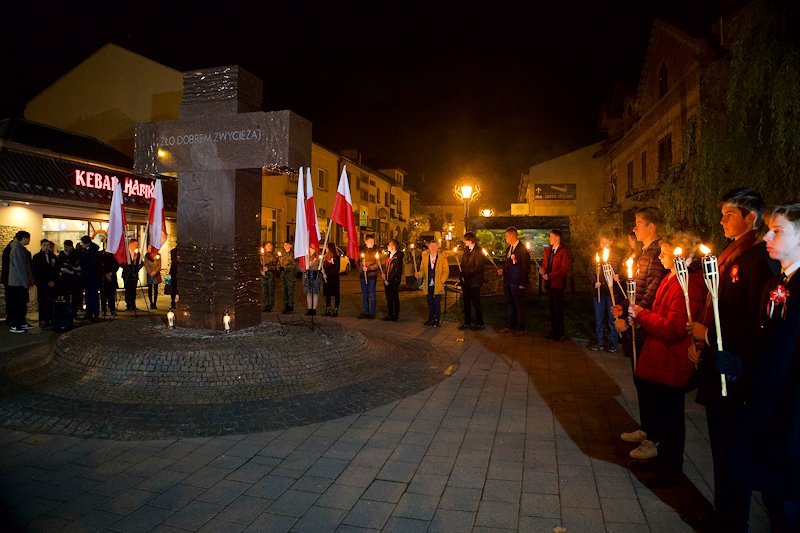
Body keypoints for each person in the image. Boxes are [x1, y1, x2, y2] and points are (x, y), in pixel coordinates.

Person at [686, 188, 777, 531]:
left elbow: (755, 323)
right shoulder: (731, 255)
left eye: (729, 215)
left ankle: (731, 520)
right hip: (718, 364)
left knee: (733, 452)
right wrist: (702, 340)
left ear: (750, 217)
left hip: (735, 374)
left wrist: (708, 337)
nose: (722, 220)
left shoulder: (757, 259)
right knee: (721, 449)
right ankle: (723, 513)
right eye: (722, 214)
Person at [728, 203, 800, 532]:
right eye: (769, 228)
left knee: (787, 507)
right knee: (772, 502)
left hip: (790, 421)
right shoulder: (775, 286)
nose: (768, 235)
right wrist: (737, 364)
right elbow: (765, 344)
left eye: (779, 230)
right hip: (766, 412)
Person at [626, 235, 706, 483]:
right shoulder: (670, 278)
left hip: (672, 361)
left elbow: (674, 327)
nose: (660, 257)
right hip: (660, 358)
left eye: (666, 252)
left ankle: (672, 469)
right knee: (664, 415)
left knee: (672, 418)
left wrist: (642, 315)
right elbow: (659, 313)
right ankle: (662, 460)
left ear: (683, 256)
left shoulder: (688, 286)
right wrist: (639, 315)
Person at [616, 207, 669, 446]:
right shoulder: (644, 253)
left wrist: (632, 316)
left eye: (638, 223)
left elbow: (651, 291)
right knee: (640, 378)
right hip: (637, 318)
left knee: (648, 381)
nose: (635, 228)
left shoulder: (657, 254)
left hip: (644, 325)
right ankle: (647, 427)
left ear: (652, 227)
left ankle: (654, 434)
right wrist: (624, 304)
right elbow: (635, 288)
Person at [589, 234, 622, 352]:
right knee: (599, 317)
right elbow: (591, 271)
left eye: (605, 242)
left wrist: (619, 276)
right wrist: (594, 282)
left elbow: (621, 271)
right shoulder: (596, 256)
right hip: (599, 291)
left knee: (612, 317)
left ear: (611, 242)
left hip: (612, 292)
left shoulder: (616, 257)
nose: (602, 244)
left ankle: (613, 342)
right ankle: (600, 341)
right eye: (601, 242)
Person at [498, 227, 530, 336]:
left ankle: (520, 327)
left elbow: (525, 267)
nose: (505, 238)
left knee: (519, 304)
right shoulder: (508, 248)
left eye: (506, 236)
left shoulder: (522, 249)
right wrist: (503, 269)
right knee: (510, 303)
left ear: (512, 236)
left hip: (517, 281)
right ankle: (510, 325)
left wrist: (522, 283)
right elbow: (507, 263)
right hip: (508, 280)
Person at [540, 229, 572, 341]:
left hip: (557, 284)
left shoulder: (563, 252)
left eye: (551, 237)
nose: (549, 239)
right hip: (548, 283)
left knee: (558, 308)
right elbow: (544, 263)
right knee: (552, 308)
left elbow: (564, 269)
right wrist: (543, 270)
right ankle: (553, 330)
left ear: (557, 238)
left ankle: (559, 332)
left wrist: (550, 275)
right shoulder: (548, 250)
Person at [3, 231, 33, 333]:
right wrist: (25, 282)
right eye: (28, 238)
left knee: (21, 303)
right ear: (23, 238)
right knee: (16, 304)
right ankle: (15, 325)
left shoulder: (20, 248)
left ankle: (21, 323)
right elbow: (20, 268)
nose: (29, 240)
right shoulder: (16, 249)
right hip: (17, 282)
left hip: (19, 282)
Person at [415, 239, 449, 327]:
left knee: (437, 303)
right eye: (431, 246)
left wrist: (442, 280)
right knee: (430, 302)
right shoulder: (425, 258)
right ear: (429, 247)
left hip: (438, 284)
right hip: (428, 284)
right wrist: (418, 274)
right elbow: (422, 270)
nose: (433, 248)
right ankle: (430, 319)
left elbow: (446, 271)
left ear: (437, 247)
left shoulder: (442, 258)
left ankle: (437, 320)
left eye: (435, 246)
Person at [459, 232, 485, 330]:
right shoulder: (466, 250)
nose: (464, 241)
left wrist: (467, 273)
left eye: (465, 239)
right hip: (466, 281)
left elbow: (478, 267)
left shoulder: (478, 251)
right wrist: (461, 273)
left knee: (476, 302)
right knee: (466, 302)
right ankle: (467, 322)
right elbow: (463, 263)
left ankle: (480, 323)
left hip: (474, 281)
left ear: (470, 240)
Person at [31, 239, 59, 328]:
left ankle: (51, 318)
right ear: (41, 246)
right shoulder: (36, 257)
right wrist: (44, 282)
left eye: (48, 245)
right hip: (42, 283)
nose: (46, 247)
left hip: (52, 283)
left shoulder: (53, 256)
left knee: (51, 301)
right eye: (44, 245)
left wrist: (54, 281)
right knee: (42, 301)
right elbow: (36, 271)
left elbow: (56, 270)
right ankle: (43, 319)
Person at [79, 235, 102, 320]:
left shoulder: (92, 251)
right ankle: (92, 312)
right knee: (91, 295)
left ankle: (92, 312)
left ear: (87, 243)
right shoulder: (89, 250)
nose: (81, 245)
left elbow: (90, 263)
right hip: (89, 276)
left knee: (91, 295)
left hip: (92, 276)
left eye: (82, 243)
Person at [57, 240, 82, 318]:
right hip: (65, 278)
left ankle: (74, 312)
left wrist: (70, 266)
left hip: (74, 278)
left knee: (75, 295)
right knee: (66, 295)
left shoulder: (76, 253)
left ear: (71, 246)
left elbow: (77, 264)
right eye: (64, 247)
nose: (65, 248)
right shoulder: (62, 253)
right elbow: (60, 264)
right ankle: (67, 311)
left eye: (66, 247)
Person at [359, 234, 380, 319]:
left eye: (373, 241)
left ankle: (372, 313)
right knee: (365, 294)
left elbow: (378, 263)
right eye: (370, 241)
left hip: (372, 276)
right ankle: (366, 311)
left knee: (371, 294)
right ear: (366, 241)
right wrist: (361, 268)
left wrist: (368, 267)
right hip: (363, 276)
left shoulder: (376, 250)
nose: (372, 243)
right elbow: (358, 261)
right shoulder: (361, 250)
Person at [383, 239, 404, 321]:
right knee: (389, 298)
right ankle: (390, 314)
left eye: (389, 245)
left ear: (393, 246)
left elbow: (396, 270)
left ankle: (395, 315)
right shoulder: (389, 256)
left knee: (395, 298)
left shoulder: (398, 257)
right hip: (387, 280)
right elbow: (387, 268)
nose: (388, 246)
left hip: (394, 281)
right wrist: (384, 274)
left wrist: (389, 280)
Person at [121, 239, 142, 311]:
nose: (136, 246)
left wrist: (136, 269)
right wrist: (128, 268)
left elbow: (140, 263)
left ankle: (133, 304)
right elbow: (122, 263)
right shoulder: (125, 253)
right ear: (131, 244)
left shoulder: (137, 253)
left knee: (133, 290)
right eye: (135, 245)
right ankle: (128, 304)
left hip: (134, 274)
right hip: (127, 274)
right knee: (128, 289)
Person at [322, 242, 341, 317]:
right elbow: (324, 266)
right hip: (327, 278)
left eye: (327, 248)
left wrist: (328, 274)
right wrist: (323, 272)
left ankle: (336, 309)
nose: (326, 249)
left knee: (336, 294)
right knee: (327, 294)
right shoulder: (325, 257)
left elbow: (337, 268)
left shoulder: (336, 257)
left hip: (334, 278)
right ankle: (328, 308)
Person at [100, 249, 120, 317]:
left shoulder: (112, 256)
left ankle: (112, 309)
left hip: (112, 278)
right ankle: (103, 309)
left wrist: (110, 273)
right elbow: (99, 266)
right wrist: (105, 274)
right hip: (103, 278)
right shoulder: (101, 255)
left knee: (111, 295)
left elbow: (116, 266)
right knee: (103, 295)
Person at [261, 242, 279, 312]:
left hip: (271, 276)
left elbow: (276, 266)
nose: (268, 246)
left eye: (270, 245)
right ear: (265, 247)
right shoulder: (262, 255)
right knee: (264, 291)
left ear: (272, 247)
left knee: (270, 291)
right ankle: (265, 305)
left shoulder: (274, 255)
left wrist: (268, 268)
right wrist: (261, 271)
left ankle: (270, 306)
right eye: (267, 245)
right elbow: (259, 264)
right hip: (263, 276)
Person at [279, 240, 296, 314]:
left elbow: (293, 265)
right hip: (283, 276)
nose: (285, 246)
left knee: (290, 291)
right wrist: (278, 268)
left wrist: (285, 268)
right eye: (284, 244)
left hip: (290, 276)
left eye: (287, 244)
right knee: (284, 291)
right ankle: (286, 306)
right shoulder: (281, 254)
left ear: (290, 245)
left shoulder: (292, 254)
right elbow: (278, 263)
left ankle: (290, 307)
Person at [303, 249, 321, 315]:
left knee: (315, 293)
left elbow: (320, 266)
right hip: (307, 276)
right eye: (311, 248)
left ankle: (314, 309)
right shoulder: (306, 256)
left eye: (314, 248)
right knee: (308, 293)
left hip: (315, 276)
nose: (313, 249)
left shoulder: (318, 257)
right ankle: (309, 309)